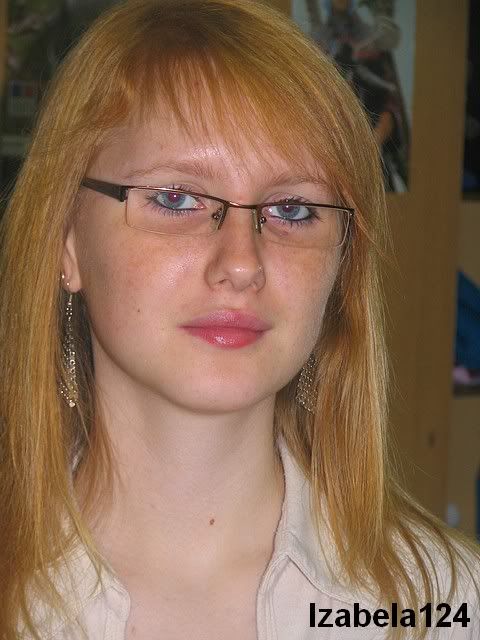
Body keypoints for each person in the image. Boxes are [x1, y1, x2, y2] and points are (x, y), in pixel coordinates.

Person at [0, 1, 478, 638]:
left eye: (292, 209)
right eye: (176, 198)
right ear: (66, 242)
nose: (242, 263)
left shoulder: (445, 605)